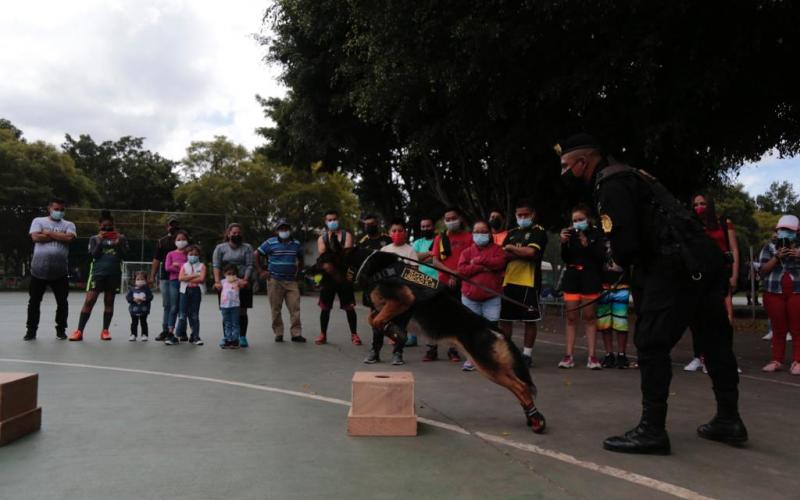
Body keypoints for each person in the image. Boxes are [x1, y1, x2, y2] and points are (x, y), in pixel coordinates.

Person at [557, 133, 746, 454]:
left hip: (671, 267)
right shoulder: (634, 174)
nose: (566, 173)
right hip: (701, 262)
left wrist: (618, 263)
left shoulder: (610, 184)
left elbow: (626, 243)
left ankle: (652, 429)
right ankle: (729, 419)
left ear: (582, 161)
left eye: (566, 166)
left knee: (651, 342)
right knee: (714, 339)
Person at [684, 193, 740, 372]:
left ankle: (724, 357)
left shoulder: (724, 223)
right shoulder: (692, 225)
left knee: (725, 316)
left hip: (721, 275)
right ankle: (700, 356)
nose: (699, 207)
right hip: (700, 276)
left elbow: (734, 249)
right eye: (695, 204)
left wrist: (734, 275)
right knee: (697, 318)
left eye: (702, 203)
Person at [498, 199, 547, 367]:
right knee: (505, 319)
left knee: (529, 320)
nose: (523, 217)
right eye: (519, 215)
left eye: (526, 215)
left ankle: (527, 355)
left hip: (529, 282)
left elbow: (531, 252)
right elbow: (504, 255)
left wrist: (513, 250)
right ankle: (508, 352)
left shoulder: (538, 231)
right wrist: (519, 252)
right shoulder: (511, 233)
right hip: (509, 281)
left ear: (533, 214)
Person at [364, 218, 418, 365]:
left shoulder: (410, 251)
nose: (397, 233)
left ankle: (398, 353)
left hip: (401, 297)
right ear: (389, 233)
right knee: (378, 323)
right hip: (383, 296)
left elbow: (414, 274)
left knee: (400, 326)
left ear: (405, 233)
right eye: (394, 230)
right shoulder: (384, 250)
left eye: (400, 230)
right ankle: (375, 351)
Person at [558, 205, 605, 369]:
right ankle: (568, 355)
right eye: (574, 220)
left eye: (580, 220)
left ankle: (592, 356)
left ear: (588, 219)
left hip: (590, 278)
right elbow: (565, 257)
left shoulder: (597, 233)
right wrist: (563, 243)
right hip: (572, 277)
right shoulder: (570, 235)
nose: (577, 223)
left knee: (590, 317)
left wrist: (587, 244)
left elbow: (601, 257)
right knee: (571, 318)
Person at [70, 210, 128, 341]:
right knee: (90, 300)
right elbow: (94, 255)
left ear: (113, 224)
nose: (107, 227)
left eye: (109, 225)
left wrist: (118, 244)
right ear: (99, 225)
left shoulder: (121, 238)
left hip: (113, 274)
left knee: (109, 301)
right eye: (104, 225)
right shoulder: (94, 238)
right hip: (98, 273)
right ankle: (79, 331)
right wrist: (101, 240)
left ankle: (105, 331)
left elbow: (123, 255)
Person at [457, 220, 507, 371]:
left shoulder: (498, 250)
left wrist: (478, 261)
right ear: (472, 233)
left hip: (492, 297)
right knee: (470, 329)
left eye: (483, 231)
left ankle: (491, 358)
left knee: (491, 328)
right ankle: (471, 359)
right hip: (469, 297)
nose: (480, 234)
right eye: (476, 231)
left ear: (489, 233)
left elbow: (500, 263)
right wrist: (482, 267)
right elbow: (461, 270)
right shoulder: (466, 252)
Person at [25, 198, 77, 341]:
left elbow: (69, 239)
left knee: (62, 302)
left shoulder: (69, 224)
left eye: (62, 210)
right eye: (56, 209)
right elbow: (35, 237)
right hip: (38, 271)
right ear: (49, 208)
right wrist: (60, 236)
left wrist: (48, 233)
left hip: (60, 272)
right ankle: (31, 331)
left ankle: (61, 330)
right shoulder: (38, 221)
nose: (59, 212)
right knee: (34, 302)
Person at [427, 207, 472, 362]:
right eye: (448, 219)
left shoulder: (469, 237)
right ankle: (432, 349)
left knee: (457, 318)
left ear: (460, 219)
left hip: (463, 284)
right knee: (436, 317)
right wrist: (451, 273)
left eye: (454, 218)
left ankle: (453, 350)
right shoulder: (440, 238)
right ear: (444, 221)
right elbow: (435, 261)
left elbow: (471, 260)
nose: (451, 221)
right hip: (443, 283)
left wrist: (458, 275)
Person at [759, 215, 800, 375]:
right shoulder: (769, 247)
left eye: (789, 231)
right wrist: (777, 257)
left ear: (797, 232)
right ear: (777, 231)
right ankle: (777, 360)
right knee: (778, 328)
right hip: (773, 292)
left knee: (798, 327)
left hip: (796, 291)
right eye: (782, 229)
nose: (785, 233)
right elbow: (761, 271)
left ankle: (797, 360)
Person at [256, 219, 306, 343]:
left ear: (290, 230)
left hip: (291, 281)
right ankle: (278, 333)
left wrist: (298, 273)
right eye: (281, 229)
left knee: (295, 307)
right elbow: (256, 254)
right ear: (277, 230)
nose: (284, 231)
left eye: (286, 228)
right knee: (275, 308)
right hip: (275, 280)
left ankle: (296, 334)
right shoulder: (270, 243)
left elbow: (301, 258)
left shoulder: (296, 244)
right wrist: (261, 271)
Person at [316, 210, 361, 345]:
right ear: (325, 222)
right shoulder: (322, 238)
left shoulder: (347, 235)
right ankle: (323, 334)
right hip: (328, 277)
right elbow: (324, 255)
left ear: (338, 220)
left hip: (344, 277)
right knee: (325, 307)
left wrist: (335, 253)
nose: (332, 222)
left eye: (334, 219)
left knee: (349, 307)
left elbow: (347, 253)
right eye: (329, 220)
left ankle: (354, 335)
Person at [212, 223, 255, 347]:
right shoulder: (220, 248)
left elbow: (250, 265)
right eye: (234, 233)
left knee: (242, 311)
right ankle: (227, 337)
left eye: (238, 233)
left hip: (242, 283)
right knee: (226, 311)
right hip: (225, 285)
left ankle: (241, 336)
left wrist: (245, 280)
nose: (236, 235)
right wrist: (217, 282)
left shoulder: (247, 247)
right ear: (228, 234)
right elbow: (216, 265)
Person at [597, 239, 632, 369]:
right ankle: (608, 354)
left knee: (621, 321)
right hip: (603, 286)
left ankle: (622, 354)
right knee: (604, 322)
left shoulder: (624, 237)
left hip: (621, 285)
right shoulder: (597, 237)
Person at [408, 216, 438, 347]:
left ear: (434, 227)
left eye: (428, 226)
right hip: (419, 279)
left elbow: (440, 258)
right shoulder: (418, 242)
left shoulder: (439, 240)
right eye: (423, 227)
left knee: (435, 312)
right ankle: (412, 338)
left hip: (437, 280)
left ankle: (435, 342)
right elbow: (413, 257)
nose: (425, 228)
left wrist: (423, 256)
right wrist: (431, 253)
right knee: (416, 311)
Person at [149, 216, 180, 341]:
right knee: (167, 305)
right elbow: (156, 259)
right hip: (166, 278)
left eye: (176, 224)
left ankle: (180, 331)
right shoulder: (162, 241)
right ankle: (165, 330)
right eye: (171, 225)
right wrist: (152, 276)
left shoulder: (185, 240)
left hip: (182, 278)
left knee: (179, 306)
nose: (174, 227)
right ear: (167, 227)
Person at [175, 245, 206, 346]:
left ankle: (195, 337)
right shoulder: (184, 266)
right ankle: (177, 336)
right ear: (187, 255)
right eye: (191, 254)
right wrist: (194, 275)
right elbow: (180, 278)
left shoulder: (202, 266)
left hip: (196, 291)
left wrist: (187, 278)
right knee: (182, 315)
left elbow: (201, 279)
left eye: (196, 254)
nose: (193, 256)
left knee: (194, 315)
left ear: (199, 256)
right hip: (184, 291)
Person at [163, 230, 190, 344]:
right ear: (175, 241)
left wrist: (178, 266)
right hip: (174, 282)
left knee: (183, 309)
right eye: (178, 239)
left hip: (186, 283)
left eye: (183, 239)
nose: (181, 241)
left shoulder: (189, 254)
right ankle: (170, 332)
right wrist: (182, 268)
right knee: (173, 307)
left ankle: (181, 333)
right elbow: (167, 268)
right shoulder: (170, 254)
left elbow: (191, 268)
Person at [219, 264, 242, 349]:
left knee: (235, 323)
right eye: (229, 273)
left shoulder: (238, 281)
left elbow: (245, 283)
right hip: (224, 306)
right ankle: (228, 340)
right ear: (224, 274)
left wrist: (244, 282)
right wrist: (216, 285)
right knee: (227, 323)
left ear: (236, 274)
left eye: (233, 274)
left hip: (235, 305)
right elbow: (216, 286)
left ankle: (235, 340)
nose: (231, 275)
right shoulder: (222, 281)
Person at [126, 271, 153, 341]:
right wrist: (133, 299)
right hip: (134, 309)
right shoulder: (132, 289)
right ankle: (133, 334)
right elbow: (128, 298)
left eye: (142, 279)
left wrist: (145, 299)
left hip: (144, 309)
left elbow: (151, 297)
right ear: (134, 280)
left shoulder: (147, 289)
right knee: (134, 322)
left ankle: (144, 334)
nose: (140, 281)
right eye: (138, 279)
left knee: (143, 322)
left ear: (145, 280)